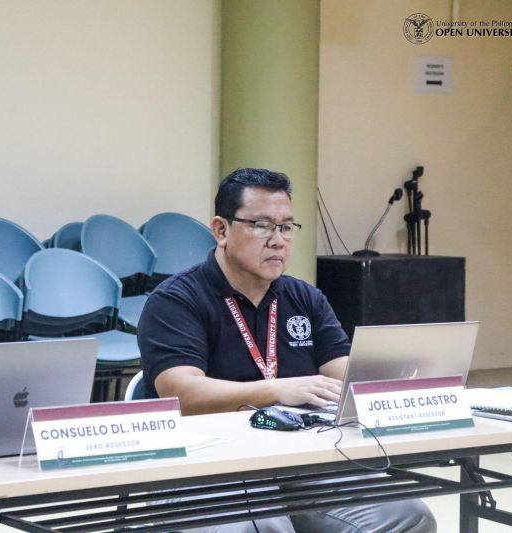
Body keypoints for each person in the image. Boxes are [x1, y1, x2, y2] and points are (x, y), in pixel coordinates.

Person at [137, 168, 435, 532]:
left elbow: (344, 370)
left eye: (286, 227)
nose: (278, 240)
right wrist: (276, 390)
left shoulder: (303, 297)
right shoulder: (177, 299)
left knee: (408, 516)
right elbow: (181, 392)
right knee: (263, 528)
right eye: (262, 226)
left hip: (298, 458)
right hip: (208, 465)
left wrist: (401, 381)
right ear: (221, 229)